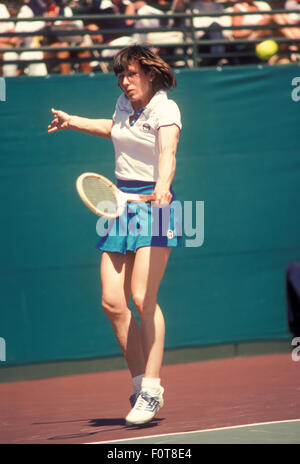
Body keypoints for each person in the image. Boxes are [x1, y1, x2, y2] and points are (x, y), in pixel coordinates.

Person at [48, 45, 182, 426]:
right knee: (112, 302)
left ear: (150, 74)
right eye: (120, 76)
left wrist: (162, 186)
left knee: (142, 297)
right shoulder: (123, 105)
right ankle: (140, 383)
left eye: (132, 74)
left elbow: (167, 152)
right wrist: (73, 120)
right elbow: (113, 129)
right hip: (120, 208)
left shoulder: (166, 109)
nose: (125, 82)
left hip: (155, 209)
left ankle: (153, 390)